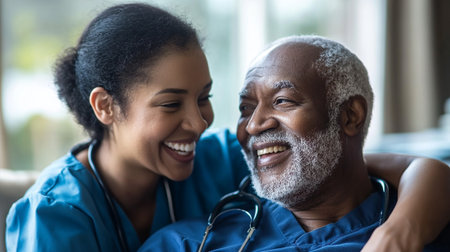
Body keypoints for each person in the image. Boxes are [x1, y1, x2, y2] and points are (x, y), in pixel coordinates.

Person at [4, 3, 449, 251]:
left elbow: (373, 166)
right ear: (105, 107)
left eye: (205, 99)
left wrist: (395, 235)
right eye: (171, 103)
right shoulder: (54, 217)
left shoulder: (217, 155)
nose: (198, 122)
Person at [138, 35, 450, 252]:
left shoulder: (429, 228)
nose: (255, 124)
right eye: (245, 108)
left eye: (283, 101)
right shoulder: (188, 245)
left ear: (350, 116)